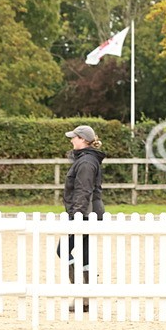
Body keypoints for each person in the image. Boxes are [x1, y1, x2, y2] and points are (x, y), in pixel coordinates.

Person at [60, 125, 106, 311]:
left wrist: (76, 216)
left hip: (84, 214)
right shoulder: (86, 160)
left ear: (83, 140)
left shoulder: (86, 162)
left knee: (63, 250)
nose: (72, 140)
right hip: (89, 213)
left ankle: (82, 293)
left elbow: (83, 190)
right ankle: (85, 299)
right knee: (85, 254)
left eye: (74, 138)